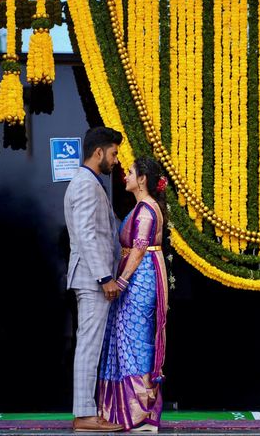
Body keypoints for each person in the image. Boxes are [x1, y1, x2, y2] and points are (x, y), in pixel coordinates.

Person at [98, 156, 169, 432]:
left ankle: (139, 413)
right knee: (133, 339)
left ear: (142, 179)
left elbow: (138, 250)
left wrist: (122, 282)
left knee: (135, 340)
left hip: (139, 280)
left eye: (129, 172)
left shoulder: (146, 210)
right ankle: (134, 411)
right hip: (141, 276)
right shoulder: (144, 207)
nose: (124, 176)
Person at [64, 127, 124, 433]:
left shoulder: (90, 183)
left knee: (90, 344)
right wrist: (104, 277)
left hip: (91, 278)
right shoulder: (86, 185)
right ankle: (85, 414)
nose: (116, 160)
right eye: (113, 153)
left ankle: (87, 411)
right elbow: (87, 234)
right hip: (91, 279)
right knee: (88, 345)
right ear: (98, 152)